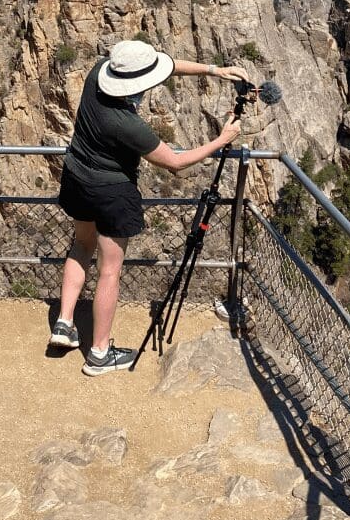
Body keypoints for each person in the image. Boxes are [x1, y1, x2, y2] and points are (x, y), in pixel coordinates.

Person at [51, 40, 249, 375]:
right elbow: (174, 162)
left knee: (81, 244)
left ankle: (64, 323)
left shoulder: (98, 74)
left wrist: (215, 70)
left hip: (76, 176)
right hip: (111, 191)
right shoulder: (126, 124)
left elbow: (168, 65)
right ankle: (99, 354)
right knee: (109, 271)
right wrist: (221, 140)